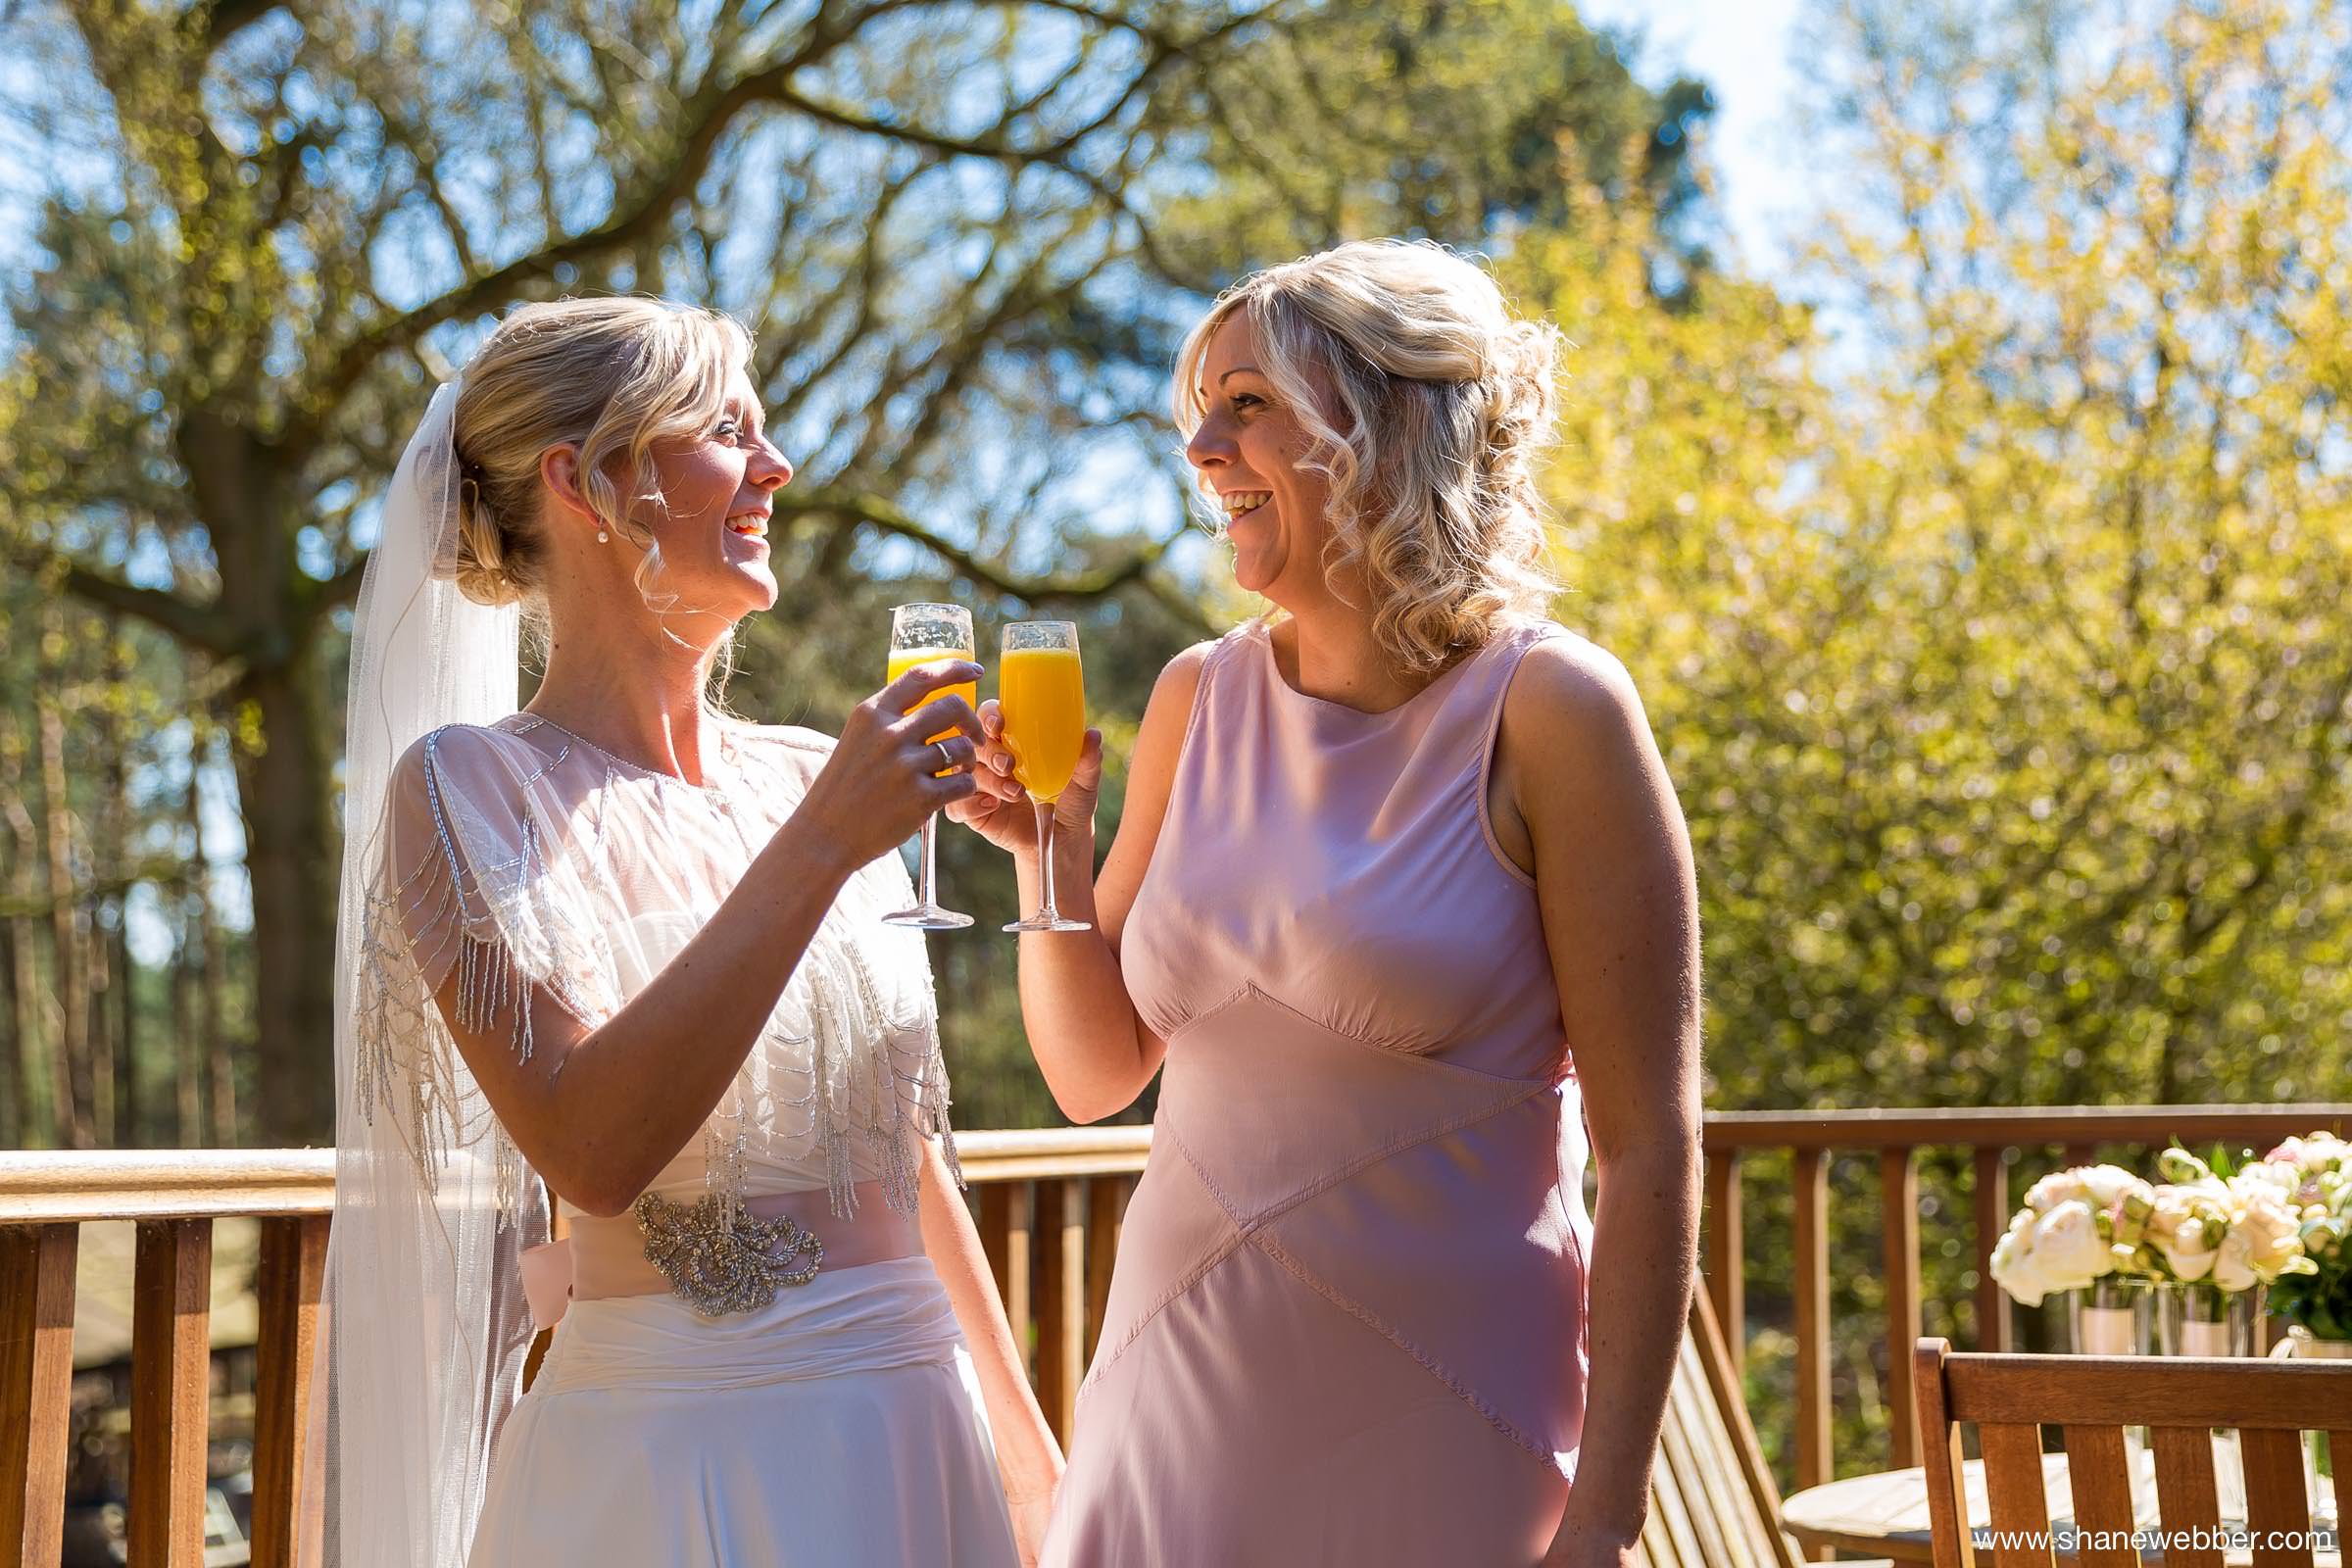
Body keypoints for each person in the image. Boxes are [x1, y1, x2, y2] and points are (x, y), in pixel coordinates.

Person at [951, 239, 1703, 1565]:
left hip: (1457, 1417)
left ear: (1384, 429)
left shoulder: (1556, 711)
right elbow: (1090, 1075)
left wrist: (1607, 1518)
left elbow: (1651, 1152)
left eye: (1248, 403)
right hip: (1176, 1402)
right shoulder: (1197, 695)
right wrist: (1045, 853)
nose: (1200, 449)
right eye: (1202, 408)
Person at [323, 296, 1060, 1567]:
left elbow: (906, 1163)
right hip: (677, 1465)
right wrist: (825, 842)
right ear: (588, 482)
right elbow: (591, 1148)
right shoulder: (463, 792)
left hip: (915, 1437)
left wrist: (1037, 1464)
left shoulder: (808, 772)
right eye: (726, 431)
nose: (776, 469)